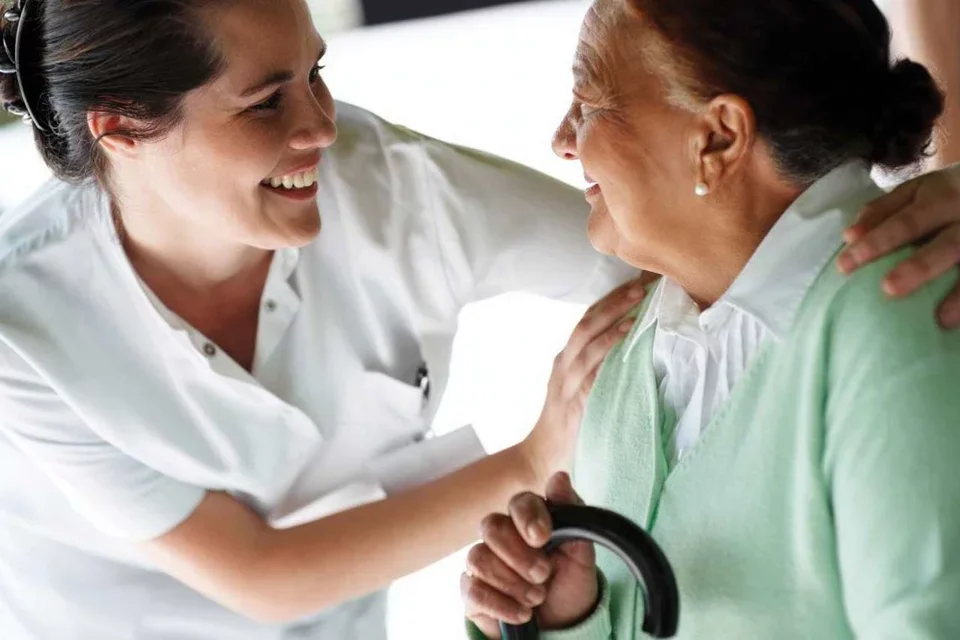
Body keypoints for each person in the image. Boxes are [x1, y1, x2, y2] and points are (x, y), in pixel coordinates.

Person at [0, 0, 957, 639]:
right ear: (122, 128)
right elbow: (263, 576)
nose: (324, 126)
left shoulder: (855, 322)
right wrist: (560, 586)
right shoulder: (24, 322)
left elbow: (674, 236)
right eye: (265, 101)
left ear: (717, 134)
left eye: (316, 74)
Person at [463, 0, 960, 638]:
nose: (562, 140)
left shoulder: (900, 316)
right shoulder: (627, 351)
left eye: (589, 105)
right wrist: (562, 618)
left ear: (718, 137)